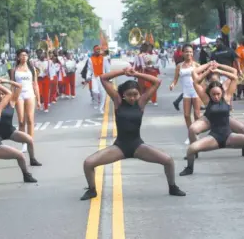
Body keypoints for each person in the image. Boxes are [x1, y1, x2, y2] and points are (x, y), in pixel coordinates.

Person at [80, 67, 186, 200]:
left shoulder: (141, 103)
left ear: (139, 94)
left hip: (138, 146)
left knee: (168, 161)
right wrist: (123, 71)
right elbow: (103, 78)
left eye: (135, 94)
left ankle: (172, 187)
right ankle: (92, 190)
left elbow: (157, 82)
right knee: (88, 163)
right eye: (129, 94)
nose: (132, 98)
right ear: (123, 94)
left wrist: (136, 74)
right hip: (120, 147)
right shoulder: (118, 102)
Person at [179, 63, 244, 176]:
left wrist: (220, 71)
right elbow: (195, 82)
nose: (216, 97)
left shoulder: (226, 98)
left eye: (218, 94)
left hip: (229, 136)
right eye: (213, 94)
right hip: (214, 137)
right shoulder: (206, 100)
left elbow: (234, 77)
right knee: (191, 149)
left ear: (222, 93)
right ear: (209, 94)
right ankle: (189, 168)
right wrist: (208, 71)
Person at [0, 78, 42, 170]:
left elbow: (19, 86)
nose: (1, 96)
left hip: (9, 132)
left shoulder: (12, 102)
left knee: (29, 139)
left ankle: (32, 159)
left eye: (2, 94)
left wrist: (4, 81)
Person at [187, 61, 244, 159]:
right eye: (212, 81)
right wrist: (208, 68)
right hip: (209, 119)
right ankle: (194, 151)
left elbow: (234, 72)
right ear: (208, 82)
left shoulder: (225, 90)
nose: (216, 95)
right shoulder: (205, 94)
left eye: (217, 80)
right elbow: (194, 74)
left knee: (242, 128)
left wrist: (219, 68)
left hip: (224, 118)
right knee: (192, 129)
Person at [170, 44, 201, 145]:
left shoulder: (196, 65)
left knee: (197, 115)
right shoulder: (179, 66)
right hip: (186, 92)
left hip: (196, 92)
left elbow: (202, 78)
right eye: (186, 51)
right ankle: (190, 134)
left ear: (193, 53)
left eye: (191, 52)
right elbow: (175, 79)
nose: (189, 53)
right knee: (187, 115)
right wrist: (172, 85)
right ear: (182, 53)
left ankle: (196, 133)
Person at [11, 49, 40, 152]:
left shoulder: (32, 69)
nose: (24, 57)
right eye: (22, 55)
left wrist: (39, 99)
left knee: (30, 120)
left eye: (26, 55)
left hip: (30, 94)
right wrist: (12, 99)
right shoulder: (14, 70)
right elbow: (12, 85)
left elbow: (35, 84)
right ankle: (23, 143)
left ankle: (30, 142)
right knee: (21, 121)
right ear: (18, 57)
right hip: (19, 95)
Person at [86, 45, 111, 114]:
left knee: (103, 93)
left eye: (99, 49)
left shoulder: (104, 58)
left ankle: (101, 108)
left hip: (103, 77)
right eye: (96, 50)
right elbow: (89, 69)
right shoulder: (90, 59)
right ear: (94, 51)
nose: (98, 51)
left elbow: (107, 69)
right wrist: (88, 76)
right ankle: (96, 102)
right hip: (94, 77)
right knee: (94, 91)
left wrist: (109, 78)